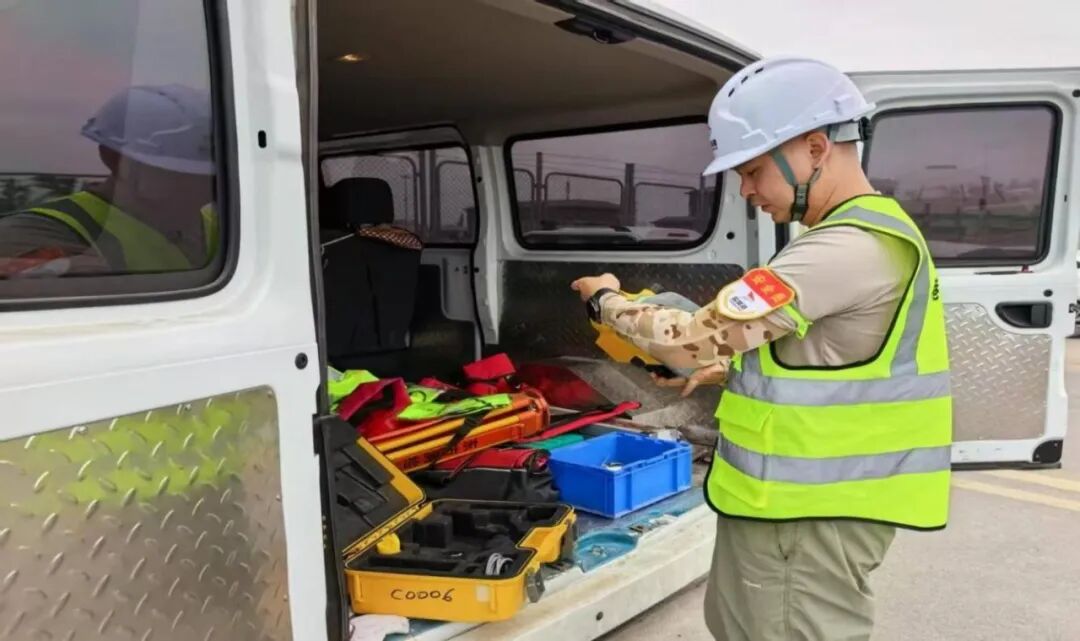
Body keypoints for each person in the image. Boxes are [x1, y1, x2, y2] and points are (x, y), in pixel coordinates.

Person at [572, 56, 952, 641]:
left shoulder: (845, 248)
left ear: (815, 148)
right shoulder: (861, 236)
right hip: (799, 509)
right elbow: (827, 361)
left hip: (807, 516)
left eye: (752, 171)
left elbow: (690, 340)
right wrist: (724, 370)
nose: (746, 190)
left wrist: (606, 301)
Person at [0, 84, 218, 277]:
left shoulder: (218, 226)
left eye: (208, 173)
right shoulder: (37, 233)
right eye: (177, 171)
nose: (200, 184)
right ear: (114, 159)